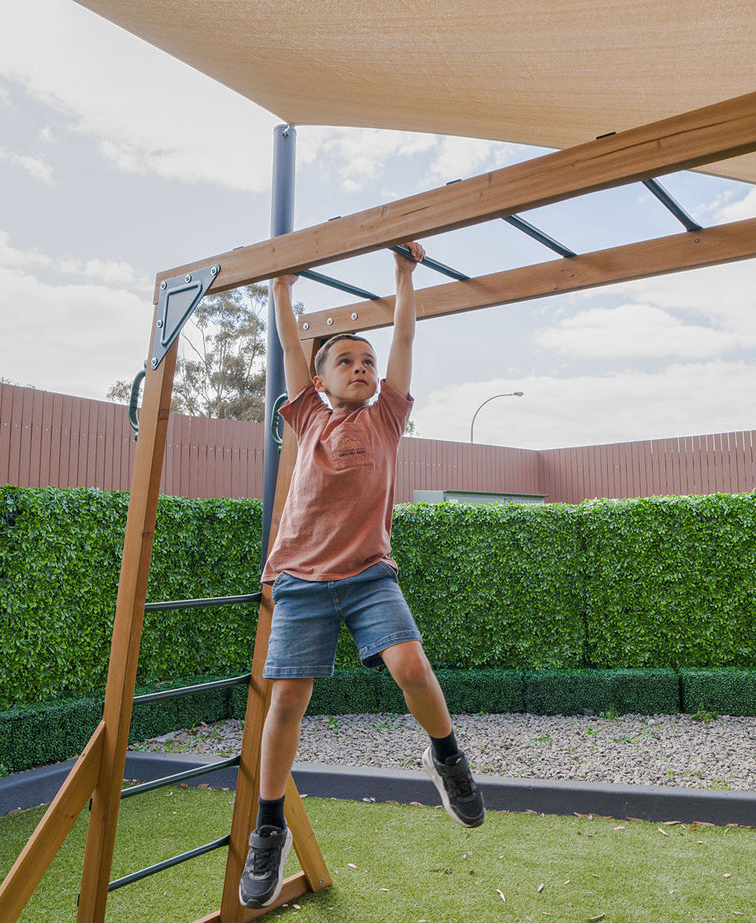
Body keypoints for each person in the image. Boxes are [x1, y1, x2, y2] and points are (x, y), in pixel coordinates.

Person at [239, 242, 485, 910]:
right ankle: (268, 827)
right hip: (298, 578)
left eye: (366, 361)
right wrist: (283, 292)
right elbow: (292, 351)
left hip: (369, 574)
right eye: (344, 359)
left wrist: (405, 277)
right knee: (285, 697)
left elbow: (404, 334)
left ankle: (448, 759)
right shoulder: (308, 415)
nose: (360, 366)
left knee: (412, 665)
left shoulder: (387, 416)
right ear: (319, 381)